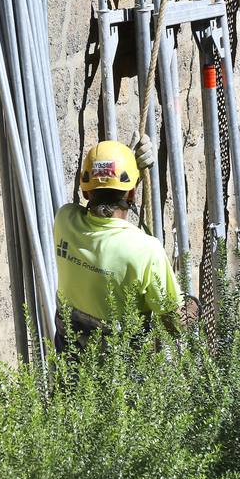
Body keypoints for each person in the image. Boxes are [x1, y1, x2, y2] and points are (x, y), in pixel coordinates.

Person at [53, 139, 191, 351]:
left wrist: (123, 170)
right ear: (133, 193)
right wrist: (193, 309)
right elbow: (173, 325)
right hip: (122, 377)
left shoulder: (64, 219)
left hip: (70, 370)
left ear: (85, 192)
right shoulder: (146, 251)